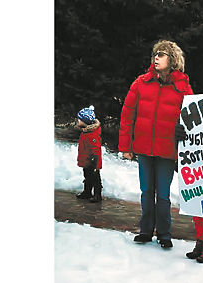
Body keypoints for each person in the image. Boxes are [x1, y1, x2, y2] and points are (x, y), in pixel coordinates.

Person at [119, 40, 193, 249]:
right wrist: (126, 146)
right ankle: (145, 230)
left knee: (162, 194)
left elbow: (193, 119)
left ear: (173, 59)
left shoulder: (183, 88)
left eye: (161, 54)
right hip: (143, 149)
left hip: (167, 151)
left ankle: (164, 233)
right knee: (146, 191)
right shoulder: (141, 83)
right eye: (155, 54)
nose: (156, 58)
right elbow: (127, 115)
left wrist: (184, 131)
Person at [75, 105, 103, 203]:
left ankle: (97, 195)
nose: (78, 121)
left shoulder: (92, 135)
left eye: (79, 119)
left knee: (95, 178)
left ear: (85, 121)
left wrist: (94, 163)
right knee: (87, 176)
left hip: (92, 161)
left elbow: (95, 149)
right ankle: (87, 192)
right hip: (86, 159)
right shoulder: (86, 131)